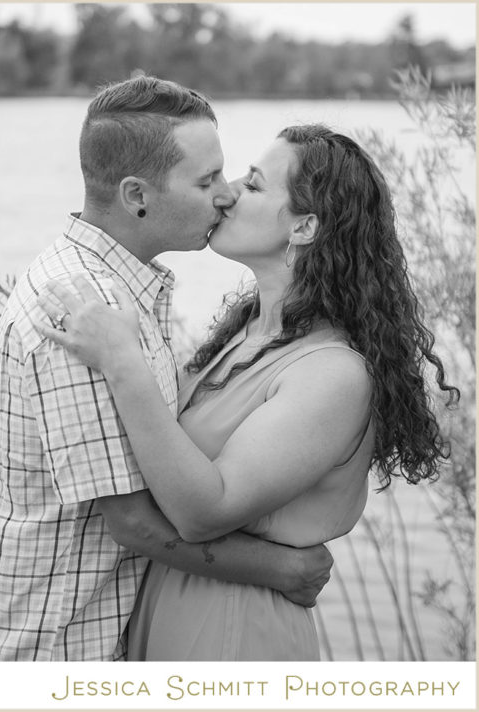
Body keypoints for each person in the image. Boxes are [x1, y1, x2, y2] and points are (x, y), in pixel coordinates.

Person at [37, 124, 458, 660]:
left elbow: (205, 511)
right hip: (171, 610)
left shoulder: (331, 373)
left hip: (233, 632)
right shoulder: (246, 335)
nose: (229, 192)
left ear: (304, 226)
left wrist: (123, 363)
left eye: (255, 186)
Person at [0, 75, 333, 662]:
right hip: (53, 650)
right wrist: (280, 567)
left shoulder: (121, 292)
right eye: (206, 180)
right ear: (137, 195)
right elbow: (133, 523)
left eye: (225, 174)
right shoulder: (83, 310)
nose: (226, 195)